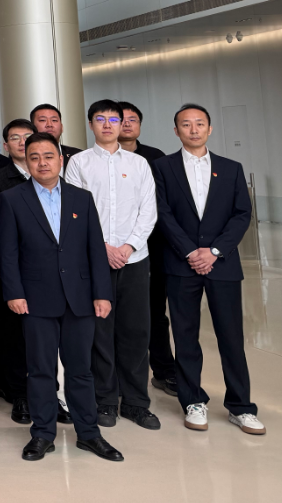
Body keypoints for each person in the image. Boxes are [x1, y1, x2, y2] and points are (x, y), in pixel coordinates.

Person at [0, 132, 121, 462]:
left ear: (61, 160)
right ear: (26, 161)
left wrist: (102, 293)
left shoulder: (82, 198)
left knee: (81, 369)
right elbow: (8, 253)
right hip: (35, 298)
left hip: (80, 297)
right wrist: (14, 292)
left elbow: (95, 249)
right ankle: (42, 433)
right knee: (40, 370)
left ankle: (89, 433)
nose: (42, 163)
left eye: (48, 156)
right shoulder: (12, 199)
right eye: (34, 157)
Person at [153, 104, 264, 435]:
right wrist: (190, 251)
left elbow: (242, 214)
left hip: (222, 264)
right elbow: (162, 212)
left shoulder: (231, 168)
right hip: (180, 264)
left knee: (231, 337)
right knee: (185, 336)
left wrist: (214, 251)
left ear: (209, 129)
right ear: (176, 131)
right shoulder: (162, 167)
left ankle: (241, 407)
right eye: (186, 124)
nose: (193, 129)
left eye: (199, 123)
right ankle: (193, 401)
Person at [63, 100, 159, 430]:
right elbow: (75, 212)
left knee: (136, 331)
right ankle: (105, 400)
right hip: (94, 260)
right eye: (100, 119)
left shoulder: (139, 164)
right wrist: (103, 248)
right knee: (99, 332)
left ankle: (136, 402)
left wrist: (128, 246)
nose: (107, 125)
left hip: (134, 259)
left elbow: (149, 211)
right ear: (90, 124)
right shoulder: (78, 163)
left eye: (113, 119)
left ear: (122, 124)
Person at [117, 101, 175, 397]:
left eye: (133, 119)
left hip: (153, 248)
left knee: (154, 312)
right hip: (114, 250)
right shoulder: (97, 159)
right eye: (122, 119)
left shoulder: (155, 157)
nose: (127, 124)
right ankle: (116, 376)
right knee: (115, 315)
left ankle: (164, 370)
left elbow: (163, 203)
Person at [0, 118, 35, 424]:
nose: (22, 142)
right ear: (5, 145)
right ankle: (19, 394)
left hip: (46, 269)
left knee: (42, 334)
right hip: (10, 267)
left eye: (27, 136)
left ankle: (46, 391)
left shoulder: (48, 174)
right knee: (11, 332)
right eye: (15, 137)